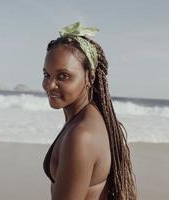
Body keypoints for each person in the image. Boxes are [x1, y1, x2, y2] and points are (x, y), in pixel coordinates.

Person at [42, 22, 137, 200]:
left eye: (63, 76)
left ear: (90, 76)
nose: (50, 85)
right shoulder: (88, 117)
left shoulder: (81, 135)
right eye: (47, 74)